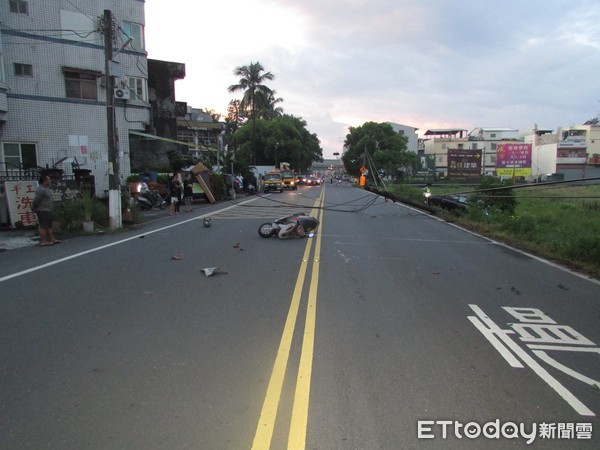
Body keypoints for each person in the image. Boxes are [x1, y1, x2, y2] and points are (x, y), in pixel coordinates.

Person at [32, 174, 61, 246]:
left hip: (47, 210)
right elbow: (36, 200)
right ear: (44, 181)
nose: (50, 181)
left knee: (49, 226)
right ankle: (43, 241)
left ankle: (52, 239)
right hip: (42, 210)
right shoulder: (40, 190)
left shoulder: (46, 189)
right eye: (48, 180)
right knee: (43, 226)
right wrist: (34, 207)